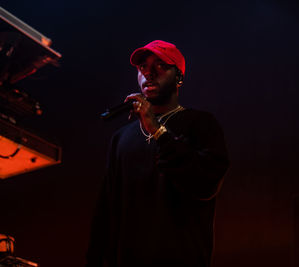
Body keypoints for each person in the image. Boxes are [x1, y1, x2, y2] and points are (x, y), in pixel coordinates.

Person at [86, 40, 229, 267]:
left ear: (179, 77)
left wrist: (158, 129)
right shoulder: (121, 138)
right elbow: (106, 212)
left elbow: (205, 184)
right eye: (143, 67)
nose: (149, 74)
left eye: (160, 66)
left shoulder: (201, 124)